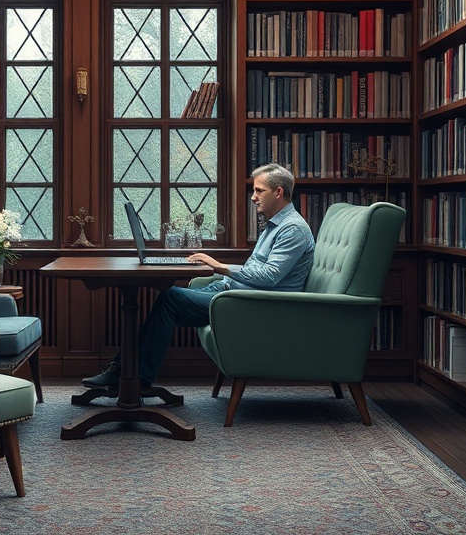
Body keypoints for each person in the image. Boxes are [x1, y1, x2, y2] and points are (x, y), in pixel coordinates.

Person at [82, 162, 315, 392]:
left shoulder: (292, 229)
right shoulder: (276, 225)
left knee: (170, 298)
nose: (253, 197)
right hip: (236, 293)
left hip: (257, 305)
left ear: (279, 192)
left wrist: (219, 266)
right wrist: (219, 270)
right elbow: (261, 270)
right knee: (167, 299)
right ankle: (126, 372)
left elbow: (270, 277)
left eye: (259, 191)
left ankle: (131, 376)